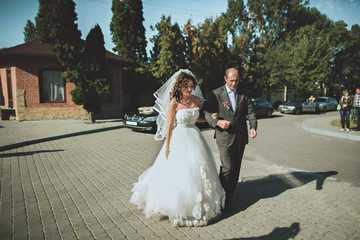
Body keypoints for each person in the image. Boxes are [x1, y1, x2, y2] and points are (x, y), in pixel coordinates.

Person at [129, 69, 225, 227]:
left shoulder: (197, 100)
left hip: (195, 136)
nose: (190, 89)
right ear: (180, 86)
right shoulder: (174, 102)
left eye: (192, 86)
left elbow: (197, 118)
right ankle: (176, 204)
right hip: (179, 137)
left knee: (197, 169)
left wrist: (210, 119)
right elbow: (169, 126)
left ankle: (197, 203)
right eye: (186, 86)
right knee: (180, 171)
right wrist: (167, 147)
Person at [202, 68, 257, 212]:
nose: (234, 83)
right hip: (224, 137)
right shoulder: (216, 93)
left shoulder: (244, 92)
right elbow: (206, 112)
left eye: (237, 80)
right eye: (231, 80)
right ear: (225, 79)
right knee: (228, 167)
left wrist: (253, 127)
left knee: (235, 169)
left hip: (240, 137)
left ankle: (228, 196)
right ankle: (221, 196)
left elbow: (251, 111)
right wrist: (217, 123)